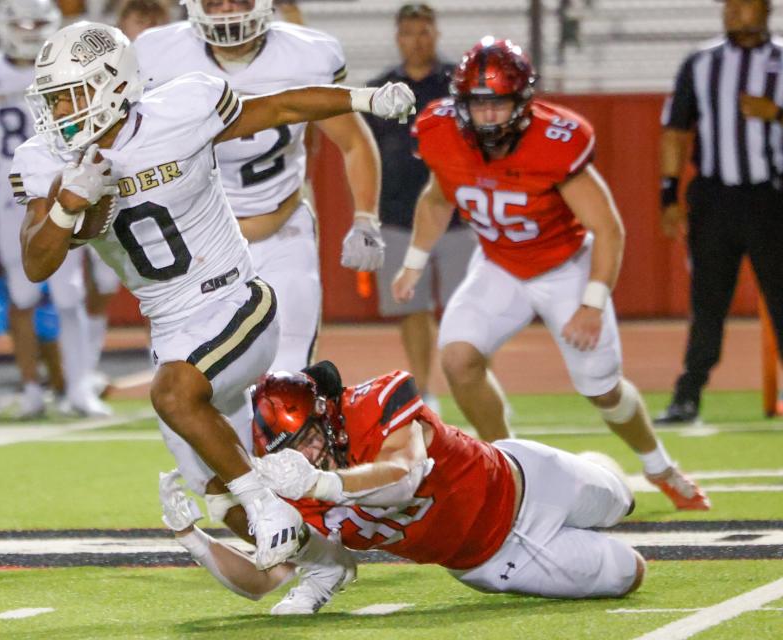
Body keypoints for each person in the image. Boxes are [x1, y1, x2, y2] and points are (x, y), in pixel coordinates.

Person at [11, 22, 414, 570]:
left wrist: (364, 97)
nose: (59, 112)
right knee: (218, 494)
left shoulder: (182, 108)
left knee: (175, 395)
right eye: (53, 100)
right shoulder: (46, 159)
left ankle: (345, 486)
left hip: (235, 300)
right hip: (169, 326)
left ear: (110, 85)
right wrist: (66, 206)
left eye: (70, 96)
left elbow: (278, 109)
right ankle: (327, 564)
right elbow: (37, 261)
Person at [390, 38, 711, 511]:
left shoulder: (556, 139)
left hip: (564, 268)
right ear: (461, 105)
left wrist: (592, 303)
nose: (489, 117)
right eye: (478, 105)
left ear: (523, 102)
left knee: (602, 389)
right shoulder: (440, 131)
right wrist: (414, 261)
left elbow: (608, 228)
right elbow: (438, 198)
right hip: (499, 263)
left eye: (499, 103)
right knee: (458, 360)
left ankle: (658, 464)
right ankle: (511, 470)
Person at [159, 360, 646, 613]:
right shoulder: (294, 490)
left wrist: (325, 482)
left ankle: (610, 470)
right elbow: (266, 579)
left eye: (308, 438)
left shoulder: (375, 402)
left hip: (529, 475)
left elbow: (405, 475)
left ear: (326, 415)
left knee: (620, 498)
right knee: (630, 573)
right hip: (494, 558)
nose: (304, 455)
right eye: (291, 448)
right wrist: (194, 539)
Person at [134, 0, 387, 373]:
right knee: (195, 378)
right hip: (199, 247)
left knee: (288, 378)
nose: (227, 10)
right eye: (215, 2)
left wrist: (366, 219)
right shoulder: (156, 55)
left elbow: (354, 142)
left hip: (281, 231)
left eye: (239, 0)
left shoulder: (306, 54)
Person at [0, 0, 109, 418]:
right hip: (11, 196)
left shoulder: (65, 68)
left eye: (37, 24)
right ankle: (31, 388)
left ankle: (79, 384)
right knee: (22, 296)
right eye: (21, 23)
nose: (28, 31)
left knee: (70, 295)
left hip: (62, 188)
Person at [655, 0, 783, 425]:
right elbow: (676, 129)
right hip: (715, 200)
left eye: (742, 4)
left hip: (772, 197)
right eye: (728, 5)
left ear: (765, 9)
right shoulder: (701, 63)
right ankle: (687, 394)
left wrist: (777, 114)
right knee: (707, 301)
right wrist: (669, 195)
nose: (732, 12)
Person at [366, 3, 477, 413]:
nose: (418, 39)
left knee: (469, 307)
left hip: (459, 217)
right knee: (410, 308)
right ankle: (425, 387)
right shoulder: (378, 90)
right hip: (397, 217)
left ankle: (473, 384)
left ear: (437, 33)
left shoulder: (459, 86)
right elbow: (366, 155)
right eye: (410, 31)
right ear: (398, 37)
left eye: (425, 30)